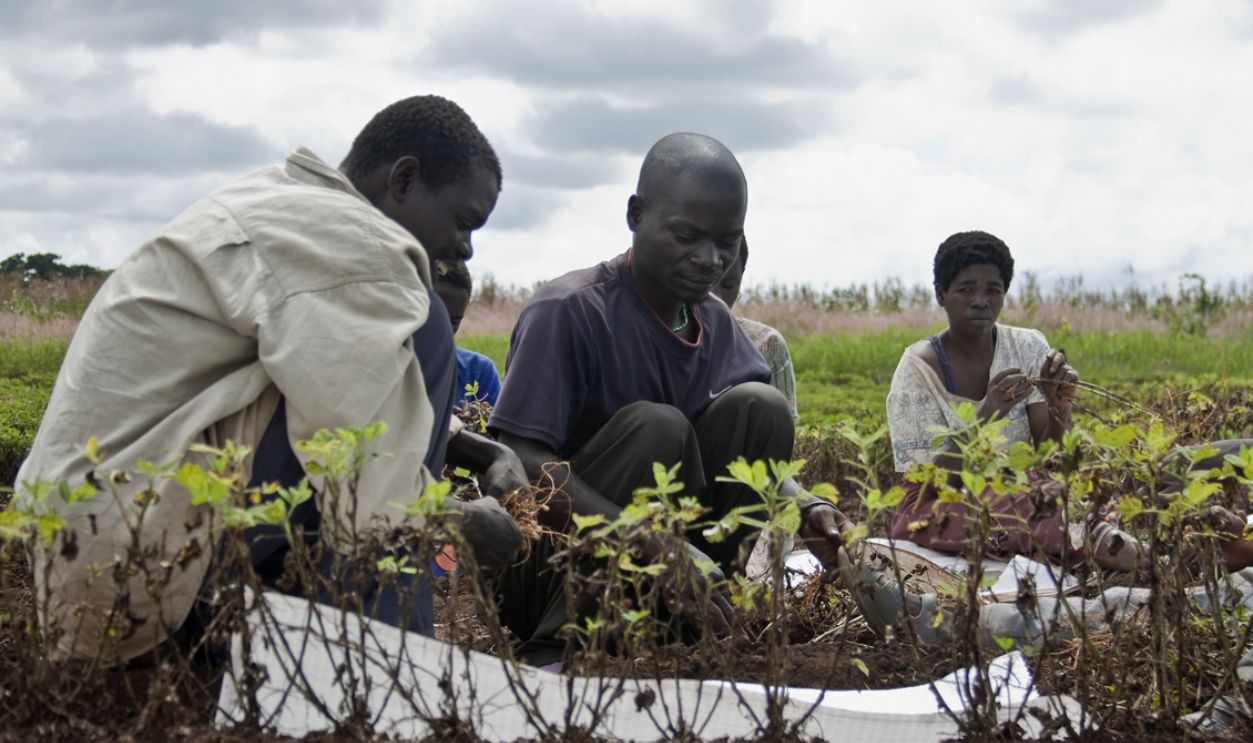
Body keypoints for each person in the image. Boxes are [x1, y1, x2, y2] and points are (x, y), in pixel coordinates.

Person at [14, 95, 525, 663]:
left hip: (87, 560)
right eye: (463, 220)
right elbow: (375, 503)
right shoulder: (360, 248)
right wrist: (456, 521)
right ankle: (376, 673)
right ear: (404, 179)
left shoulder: (287, 209)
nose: (466, 247)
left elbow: (310, 375)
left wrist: (466, 444)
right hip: (144, 575)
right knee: (425, 327)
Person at [487, 132, 847, 665]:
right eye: (687, 235)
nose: (710, 259)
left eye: (727, 242)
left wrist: (806, 506)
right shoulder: (570, 310)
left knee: (760, 407)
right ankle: (560, 650)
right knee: (659, 427)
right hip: (547, 577)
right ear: (636, 215)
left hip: (673, 567)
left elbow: (749, 458)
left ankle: (692, 616)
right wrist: (646, 539)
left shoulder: (714, 322)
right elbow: (523, 462)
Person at [883, 230, 1139, 572]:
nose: (980, 301)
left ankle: (1113, 546)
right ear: (941, 295)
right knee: (1023, 515)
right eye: (966, 290)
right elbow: (930, 483)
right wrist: (985, 417)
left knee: (1070, 501)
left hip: (1020, 486)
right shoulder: (917, 369)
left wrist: (1059, 407)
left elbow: (1051, 458)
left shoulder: (1027, 347)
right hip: (942, 499)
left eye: (993, 290)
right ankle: (1114, 549)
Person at [712, 237, 798, 418]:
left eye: (728, 284)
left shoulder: (766, 344)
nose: (716, 297)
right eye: (707, 283)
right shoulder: (653, 336)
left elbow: (781, 428)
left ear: (741, 280)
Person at [433, 259, 503, 407]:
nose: (444, 330)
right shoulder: (387, 369)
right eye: (434, 318)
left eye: (454, 321)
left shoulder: (478, 372)